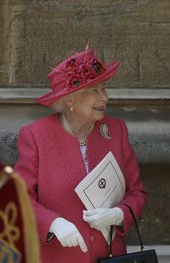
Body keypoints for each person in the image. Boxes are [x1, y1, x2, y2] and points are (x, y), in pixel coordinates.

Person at [14, 47, 147, 263]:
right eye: (94, 90)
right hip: (56, 256)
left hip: (108, 256)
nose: (104, 97)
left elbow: (137, 193)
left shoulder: (116, 130)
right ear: (69, 100)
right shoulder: (36, 136)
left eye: (104, 89)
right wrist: (53, 224)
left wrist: (118, 214)